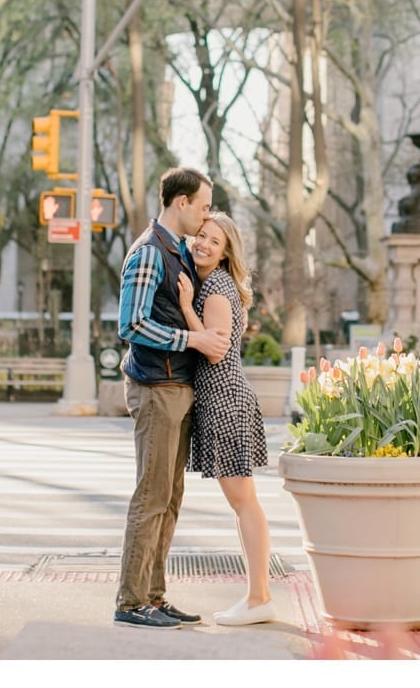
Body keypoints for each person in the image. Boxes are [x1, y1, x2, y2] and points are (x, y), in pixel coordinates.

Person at [113, 168, 230, 631]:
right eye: (202, 206)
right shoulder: (148, 253)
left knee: (171, 497)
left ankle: (155, 595)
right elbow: (132, 325)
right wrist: (192, 340)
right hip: (156, 387)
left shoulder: (176, 251)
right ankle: (131, 599)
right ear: (180, 202)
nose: (205, 217)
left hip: (176, 387)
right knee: (152, 494)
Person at [175, 210, 274, 627]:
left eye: (214, 241)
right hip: (225, 397)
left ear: (226, 251)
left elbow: (214, 349)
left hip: (225, 399)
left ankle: (259, 599)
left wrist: (184, 304)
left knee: (245, 502)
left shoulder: (214, 288)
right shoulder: (217, 282)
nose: (204, 244)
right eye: (201, 235)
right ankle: (257, 596)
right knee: (243, 503)